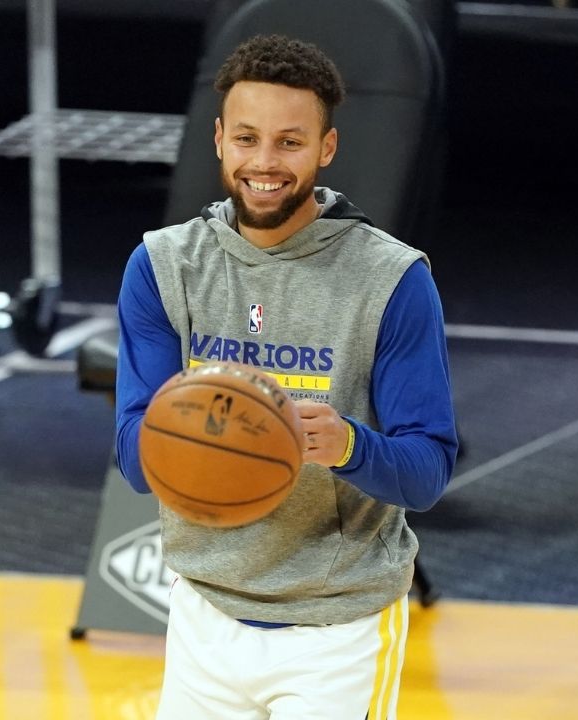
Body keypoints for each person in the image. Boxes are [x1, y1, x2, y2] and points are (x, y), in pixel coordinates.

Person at [113, 34, 458, 720]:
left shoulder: (392, 280)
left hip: (336, 628)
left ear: (326, 148)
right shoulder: (162, 267)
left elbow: (427, 471)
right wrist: (201, 423)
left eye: (289, 143)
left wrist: (349, 446)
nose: (264, 163)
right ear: (218, 139)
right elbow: (132, 457)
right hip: (203, 611)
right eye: (246, 138)